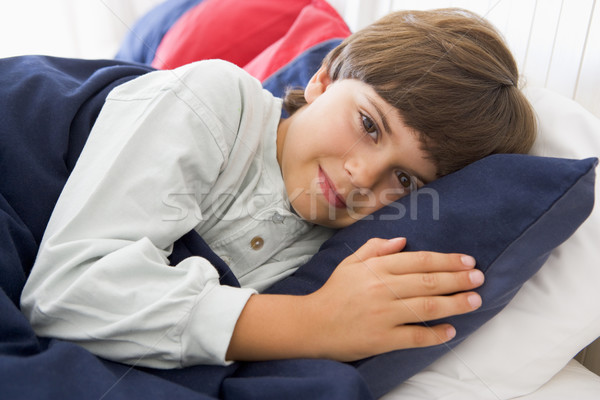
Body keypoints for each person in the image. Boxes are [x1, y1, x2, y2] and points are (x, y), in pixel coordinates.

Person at [20, 8, 536, 368]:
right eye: (369, 124)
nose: (361, 175)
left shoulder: (328, 252)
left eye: (404, 179)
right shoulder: (219, 99)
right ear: (323, 80)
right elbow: (66, 293)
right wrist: (313, 322)